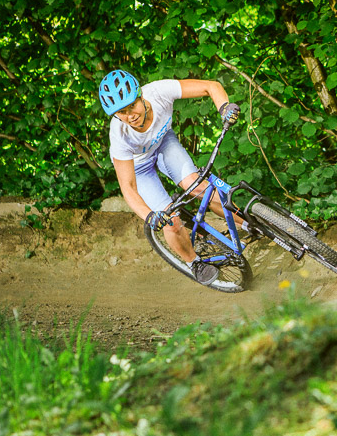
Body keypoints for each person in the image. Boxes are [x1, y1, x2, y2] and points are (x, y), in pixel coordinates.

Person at [99, 69, 241, 285]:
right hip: (140, 168)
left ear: (141, 96)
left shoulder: (158, 91)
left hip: (164, 142)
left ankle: (251, 224)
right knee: (171, 222)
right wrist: (150, 216)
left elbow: (211, 86)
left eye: (132, 106)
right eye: (122, 112)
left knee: (198, 187)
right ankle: (194, 263)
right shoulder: (119, 134)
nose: (130, 115)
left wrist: (224, 107)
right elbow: (127, 187)